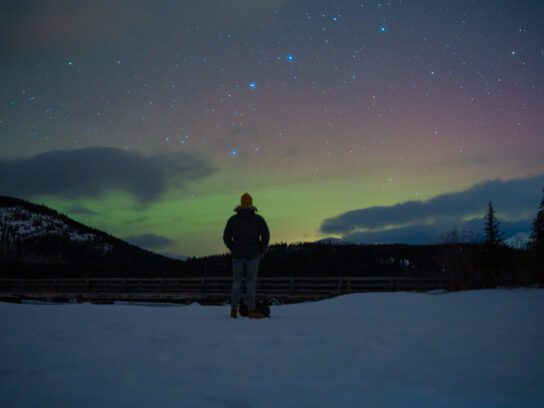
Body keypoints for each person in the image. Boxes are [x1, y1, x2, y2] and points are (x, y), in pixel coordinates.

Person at [223, 193, 270, 319]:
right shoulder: (258, 219)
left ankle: (233, 310)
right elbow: (266, 235)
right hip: (253, 255)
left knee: (236, 282)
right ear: (251, 204)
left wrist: (233, 249)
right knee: (250, 283)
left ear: (241, 203)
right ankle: (251, 310)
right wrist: (261, 250)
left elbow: (226, 237)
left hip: (238, 255)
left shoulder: (232, 220)